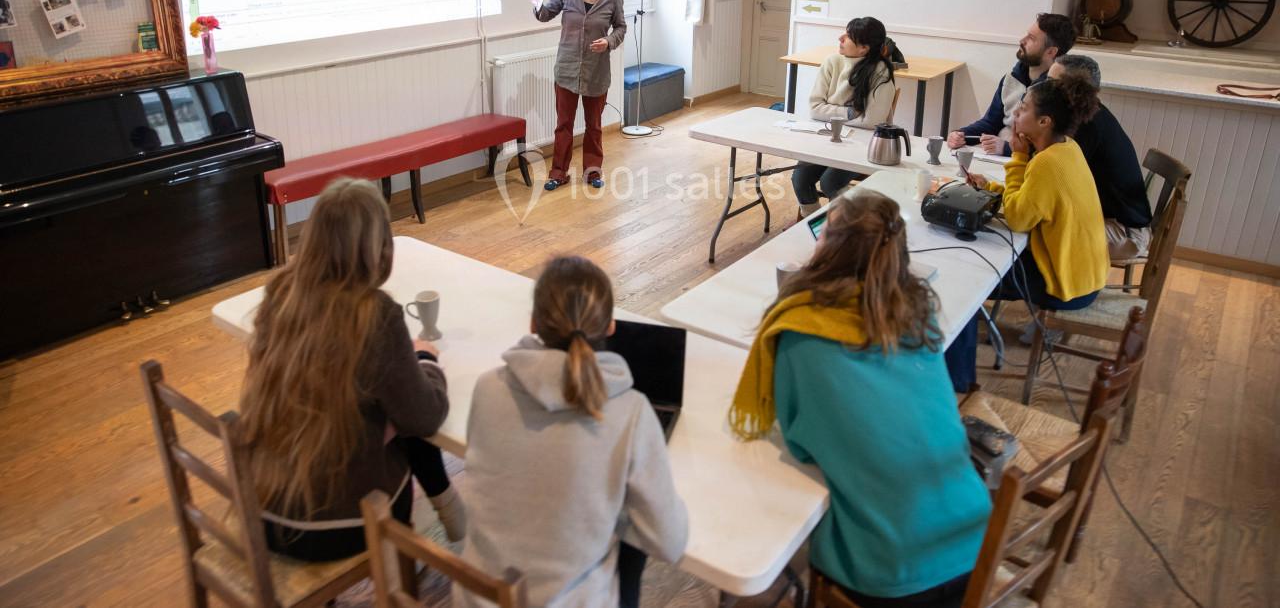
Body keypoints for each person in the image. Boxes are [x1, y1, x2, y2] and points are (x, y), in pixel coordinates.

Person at [730, 192, 991, 608]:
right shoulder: (918, 314)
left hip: (888, 571)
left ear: (829, 251)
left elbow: (800, 444)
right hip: (975, 541)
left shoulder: (799, 333)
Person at [237, 178, 464, 561]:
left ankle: (450, 511)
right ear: (381, 250)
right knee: (404, 407)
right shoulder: (374, 314)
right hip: (338, 525)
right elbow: (425, 417)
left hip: (264, 508)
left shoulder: (280, 293)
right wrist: (426, 359)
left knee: (381, 404)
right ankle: (442, 525)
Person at [458, 256, 687, 608]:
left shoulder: (489, 387)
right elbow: (669, 542)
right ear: (610, 326)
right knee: (634, 533)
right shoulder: (630, 411)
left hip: (477, 599)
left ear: (534, 322)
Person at [946, 75, 1110, 390]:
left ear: (1044, 121)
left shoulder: (1044, 163)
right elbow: (1030, 202)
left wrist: (1018, 157)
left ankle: (960, 383)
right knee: (975, 266)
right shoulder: (1067, 148)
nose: (1015, 116)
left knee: (965, 284)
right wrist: (991, 187)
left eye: (1022, 110)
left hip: (1065, 283)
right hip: (1085, 273)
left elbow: (1020, 219)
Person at [532, 0, 627, 191]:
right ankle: (559, 172)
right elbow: (545, 14)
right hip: (567, 70)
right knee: (564, 125)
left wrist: (608, 41)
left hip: (597, 71)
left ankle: (593, 172)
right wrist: (537, 3)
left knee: (594, 125)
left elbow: (620, 27)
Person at [1049, 54, 1152, 259]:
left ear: (1075, 90)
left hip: (1124, 231)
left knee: (1042, 234)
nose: (1045, 89)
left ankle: (1068, 290)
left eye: (1052, 83)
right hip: (1104, 217)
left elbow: (1058, 180)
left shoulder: (1087, 126)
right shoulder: (1085, 115)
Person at [792, 16, 898, 214]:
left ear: (863, 48)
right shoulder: (832, 62)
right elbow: (815, 107)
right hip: (826, 139)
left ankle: (844, 230)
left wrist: (831, 111)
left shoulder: (880, 73)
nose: (840, 38)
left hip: (863, 146)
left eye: (848, 36)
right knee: (800, 178)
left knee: (830, 182)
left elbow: (872, 122)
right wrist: (849, 112)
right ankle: (816, 227)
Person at [947, 13, 1075, 156]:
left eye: (1031, 39)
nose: (1022, 40)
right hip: (999, 160)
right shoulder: (1011, 79)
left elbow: (1054, 146)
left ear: (1051, 51)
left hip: (1029, 165)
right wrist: (962, 135)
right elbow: (991, 123)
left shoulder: (1059, 92)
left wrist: (1006, 148)